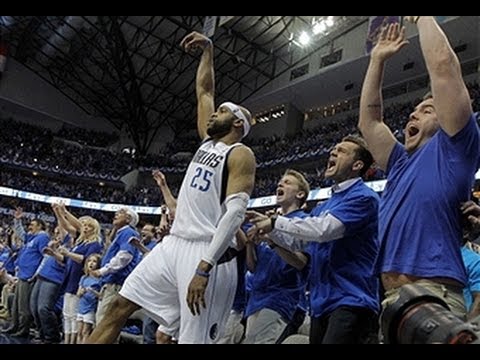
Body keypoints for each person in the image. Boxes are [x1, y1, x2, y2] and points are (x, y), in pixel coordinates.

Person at [86, 30, 256, 344]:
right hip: (174, 245)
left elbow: (234, 215)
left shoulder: (240, 153)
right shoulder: (208, 142)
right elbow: (205, 91)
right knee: (118, 307)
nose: (213, 112)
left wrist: (204, 267)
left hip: (207, 253)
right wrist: (208, 51)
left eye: (222, 111)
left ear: (237, 125)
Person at [357, 18, 480, 322]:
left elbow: (443, 67)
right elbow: (369, 122)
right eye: (414, 111)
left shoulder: (456, 148)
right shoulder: (399, 161)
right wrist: (376, 60)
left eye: (427, 110)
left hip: (434, 294)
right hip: (390, 300)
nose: (414, 112)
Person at [248, 135, 380, 344]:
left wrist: (275, 223)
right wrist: (271, 234)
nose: (333, 152)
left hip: (351, 300)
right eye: (334, 148)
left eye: (342, 151)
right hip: (321, 303)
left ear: (357, 165)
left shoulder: (364, 197)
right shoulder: (323, 206)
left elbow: (323, 230)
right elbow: (301, 243)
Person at [242, 169, 310, 344]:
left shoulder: (303, 223)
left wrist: (272, 240)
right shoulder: (268, 223)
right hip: (256, 300)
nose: (280, 184)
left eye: (287, 183)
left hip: (283, 298)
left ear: (300, 194)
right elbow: (253, 267)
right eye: (280, 182)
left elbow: (301, 263)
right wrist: (250, 243)